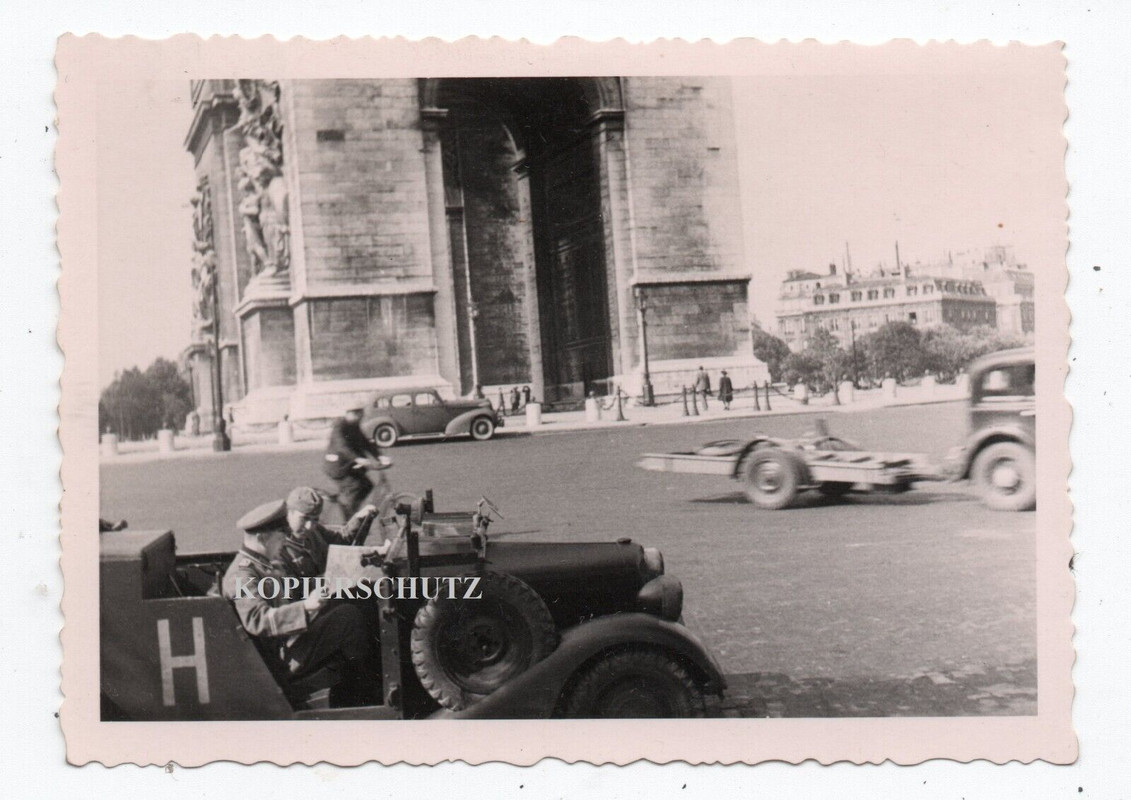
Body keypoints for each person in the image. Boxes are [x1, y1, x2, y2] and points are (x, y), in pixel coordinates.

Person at [221, 496, 379, 706]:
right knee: (347, 618)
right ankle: (364, 694)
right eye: (281, 536)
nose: (285, 541)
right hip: (279, 657)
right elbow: (259, 620)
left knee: (356, 600)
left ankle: (360, 685)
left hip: (291, 639)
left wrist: (332, 583)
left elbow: (292, 590)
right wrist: (305, 607)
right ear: (262, 538)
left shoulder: (264, 563)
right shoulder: (242, 575)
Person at [324, 407, 385, 518]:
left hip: (348, 467)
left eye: (361, 414)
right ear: (349, 413)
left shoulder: (354, 425)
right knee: (355, 487)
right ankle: (349, 523)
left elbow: (365, 443)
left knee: (367, 485)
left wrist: (379, 456)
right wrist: (357, 459)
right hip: (337, 467)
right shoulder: (339, 426)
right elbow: (342, 447)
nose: (360, 418)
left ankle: (352, 511)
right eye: (358, 414)